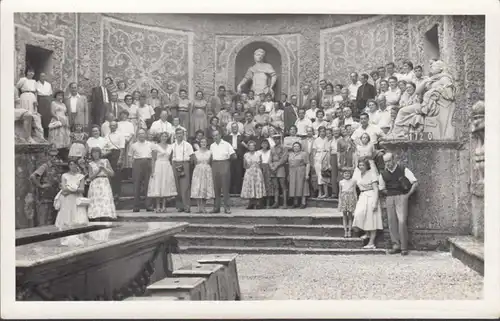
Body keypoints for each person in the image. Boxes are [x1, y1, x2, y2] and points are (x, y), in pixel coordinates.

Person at [379, 153, 418, 256]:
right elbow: (382, 188)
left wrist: (407, 195)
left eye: (389, 161)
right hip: (390, 197)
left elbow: (415, 182)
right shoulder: (383, 173)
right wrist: (389, 195)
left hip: (402, 196)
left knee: (402, 221)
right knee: (392, 222)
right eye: (385, 162)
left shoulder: (402, 169)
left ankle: (404, 247)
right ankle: (396, 245)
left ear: (393, 159)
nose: (387, 163)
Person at [352, 159, 383, 249]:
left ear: (367, 166)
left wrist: (375, 202)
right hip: (362, 196)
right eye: (360, 165)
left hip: (371, 195)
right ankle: (367, 233)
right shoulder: (358, 174)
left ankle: (371, 243)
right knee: (359, 214)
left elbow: (376, 189)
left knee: (372, 218)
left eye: (363, 165)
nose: (361, 167)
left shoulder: (371, 174)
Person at [147, 132, 177, 212]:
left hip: (167, 166)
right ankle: (157, 206)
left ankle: (164, 206)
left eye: (165, 136)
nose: (164, 138)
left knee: (165, 185)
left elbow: (171, 159)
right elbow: (153, 159)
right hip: (158, 166)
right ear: (160, 137)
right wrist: (152, 170)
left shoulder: (170, 147)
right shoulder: (155, 146)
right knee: (158, 184)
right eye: (162, 136)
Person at [54, 159, 88, 228]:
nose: (73, 166)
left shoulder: (81, 176)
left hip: (76, 197)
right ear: (69, 166)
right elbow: (64, 188)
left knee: (77, 215)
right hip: (67, 197)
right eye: (71, 164)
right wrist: (74, 189)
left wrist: (71, 189)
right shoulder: (64, 175)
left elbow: (82, 189)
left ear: (77, 165)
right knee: (67, 214)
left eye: (74, 164)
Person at [87, 147, 117, 221]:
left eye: (97, 153)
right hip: (95, 183)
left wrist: (104, 168)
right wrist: (98, 171)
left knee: (105, 200)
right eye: (93, 153)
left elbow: (112, 174)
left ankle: (106, 218)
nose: (95, 154)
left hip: (104, 182)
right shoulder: (91, 164)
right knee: (96, 202)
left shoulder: (105, 161)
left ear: (100, 153)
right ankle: (96, 218)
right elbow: (90, 177)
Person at [210, 129, 236, 214]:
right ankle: (216, 208)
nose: (215, 137)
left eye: (217, 135)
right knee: (216, 188)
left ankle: (227, 207)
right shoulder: (212, 146)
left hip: (224, 163)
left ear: (220, 135)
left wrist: (227, 162)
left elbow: (234, 155)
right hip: (215, 165)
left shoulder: (226, 144)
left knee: (225, 187)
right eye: (214, 136)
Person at [128, 129, 154, 212]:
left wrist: (152, 167)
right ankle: (136, 206)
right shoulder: (133, 145)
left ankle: (149, 205)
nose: (141, 135)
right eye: (139, 134)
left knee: (148, 185)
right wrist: (134, 165)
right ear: (137, 135)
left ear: (145, 134)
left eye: (143, 133)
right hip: (137, 164)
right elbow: (130, 157)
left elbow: (153, 157)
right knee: (137, 185)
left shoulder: (150, 144)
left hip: (148, 163)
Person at [172, 128, 194, 213]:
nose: (179, 135)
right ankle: (180, 206)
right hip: (175, 164)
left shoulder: (188, 145)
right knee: (177, 186)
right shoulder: (173, 145)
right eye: (178, 133)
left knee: (185, 186)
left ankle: (187, 206)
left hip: (184, 164)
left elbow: (192, 157)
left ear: (183, 135)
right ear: (175, 135)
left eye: (181, 133)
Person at [190, 137, 215, 213]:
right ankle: (199, 207)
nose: (203, 143)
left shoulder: (210, 152)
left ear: (207, 143)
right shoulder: (195, 153)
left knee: (205, 187)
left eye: (205, 142)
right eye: (202, 142)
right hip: (198, 171)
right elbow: (193, 163)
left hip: (207, 171)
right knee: (198, 187)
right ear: (199, 143)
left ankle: (203, 207)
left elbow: (211, 163)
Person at [240, 140, 266, 209]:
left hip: (257, 172)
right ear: (248, 147)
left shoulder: (258, 154)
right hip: (249, 172)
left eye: (253, 146)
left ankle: (258, 203)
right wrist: (248, 167)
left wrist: (258, 169)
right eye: (250, 146)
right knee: (250, 186)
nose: (251, 147)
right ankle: (251, 203)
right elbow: (244, 166)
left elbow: (261, 164)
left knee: (257, 186)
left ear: (255, 147)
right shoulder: (246, 155)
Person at [104, 120, 126, 200]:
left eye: (114, 125)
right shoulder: (106, 135)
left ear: (116, 126)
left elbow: (122, 148)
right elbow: (105, 146)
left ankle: (117, 193)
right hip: (109, 154)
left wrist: (120, 158)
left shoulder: (120, 135)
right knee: (110, 174)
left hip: (117, 154)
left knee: (117, 174)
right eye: (111, 125)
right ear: (109, 126)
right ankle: (111, 193)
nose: (112, 127)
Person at [48, 90, 71, 160]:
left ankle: (63, 155)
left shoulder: (63, 104)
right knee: (57, 138)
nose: (60, 97)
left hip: (64, 122)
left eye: (61, 95)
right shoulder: (53, 103)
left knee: (65, 138)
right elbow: (52, 113)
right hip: (57, 121)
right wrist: (59, 119)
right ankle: (55, 156)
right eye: (58, 95)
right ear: (56, 96)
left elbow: (65, 113)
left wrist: (66, 121)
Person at [224, 123, 246, 194]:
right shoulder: (226, 137)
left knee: (238, 173)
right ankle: (230, 191)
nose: (234, 129)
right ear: (231, 128)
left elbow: (245, 148)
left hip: (239, 157)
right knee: (230, 173)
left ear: (238, 128)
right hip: (230, 157)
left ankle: (238, 191)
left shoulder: (242, 136)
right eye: (233, 127)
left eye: (235, 127)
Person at [288, 142, 310, 208]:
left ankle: (303, 202)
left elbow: (308, 164)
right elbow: (289, 164)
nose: (296, 147)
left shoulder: (304, 154)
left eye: (297, 146)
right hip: (292, 171)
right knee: (294, 186)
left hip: (301, 171)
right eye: (294, 146)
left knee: (302, 186)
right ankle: (295, 203)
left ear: (300, 147)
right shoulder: (290, 154)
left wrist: (307, 174)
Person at [269, 134, 288, 209]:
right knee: (275, 186)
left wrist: (277, 166)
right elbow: (270, 158)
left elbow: (284, 158)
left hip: (280, 167)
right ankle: (276, 202)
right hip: (273, 167)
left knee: (283, 185)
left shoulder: (284, 148)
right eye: (275, 139)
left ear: (280, 139)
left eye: (277, 139)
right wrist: (271, 166)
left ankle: (285, 203)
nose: (276, 140)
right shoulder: (272, 148)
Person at [312, 126, 330, 198]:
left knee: (325, 175)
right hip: (318, 157)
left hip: (325, 157)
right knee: (319, 175)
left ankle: (326, 193)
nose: (322, 133)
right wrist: (314, 160)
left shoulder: (327, 139)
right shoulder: (316, 140)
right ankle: (320, 192)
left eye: (323, 131)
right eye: (321, 131)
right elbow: (314, 151)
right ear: (318, 132)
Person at [338, 168, 357, 238]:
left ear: (350, 174)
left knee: (350, 216)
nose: (347, 174)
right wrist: (340, 201)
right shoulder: (341, 182)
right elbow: (340, 192)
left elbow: (354, 191)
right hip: (344, 198)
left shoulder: (353, 181)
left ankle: (350, 230)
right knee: (344, 215)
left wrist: (356, 200)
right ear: (343, 174)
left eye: (348, 173)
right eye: (345, 173)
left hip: (351, 198)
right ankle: (345, 230)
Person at [117, 110, 136, 179]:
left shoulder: (130, 124)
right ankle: (122, 174)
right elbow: (118, 133)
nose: (124, 116)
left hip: (129, 141)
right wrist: (122, 140)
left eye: (125, 115)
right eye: (122, 114)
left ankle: (129, 174)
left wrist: (127, 140)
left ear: (127, 116)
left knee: (128, 157)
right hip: (121, 141)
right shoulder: (118, 123)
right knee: (121, 157)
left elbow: (132, 133)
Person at [36, 72, 53, 136]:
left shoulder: (48, 84)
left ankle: (47, 132)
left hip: (48, 100)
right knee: (41, 115)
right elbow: (35, 93)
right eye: (41, 76)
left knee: (48, 116)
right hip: (40, 100)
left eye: (44, 76)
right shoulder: (36, 84)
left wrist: (50, 102)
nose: (43, 77)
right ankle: (41, 133)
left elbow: (50, 94)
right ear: (39, 77)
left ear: (45, 77)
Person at [259, 139, 273, 208]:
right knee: (261, 185)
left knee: (268, 185)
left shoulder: (270, 152)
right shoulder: (258, 152)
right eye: (263, 143)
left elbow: (271, 160)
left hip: (268, 169)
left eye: (266, 144)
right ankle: (261, 203)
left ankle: (268, 203)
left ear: (268, 145)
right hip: (260, 169)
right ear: (261, 145)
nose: (264, 145)